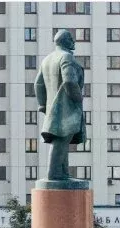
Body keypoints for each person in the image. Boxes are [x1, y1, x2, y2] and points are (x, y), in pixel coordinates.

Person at [34, 29, 86, 182]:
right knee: (61, 141)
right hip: (66, 107)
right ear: (64, 41)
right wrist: (78, 98)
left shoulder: (47, 59)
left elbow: (38, 84)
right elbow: (69, 81)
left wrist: (43, 104)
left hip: (53, 107)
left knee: (64, 140)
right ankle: (55, 174)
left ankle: (63, 172)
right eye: (71, 38)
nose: (73, 41)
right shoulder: (66, 57)